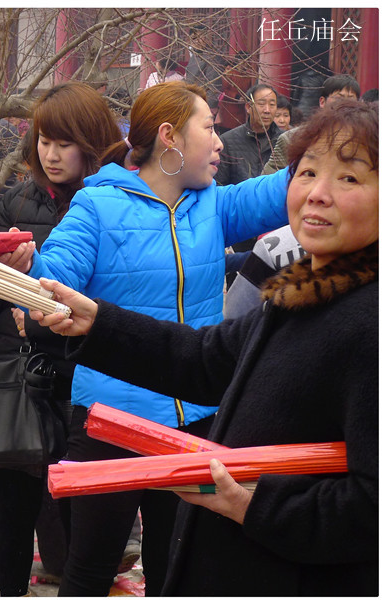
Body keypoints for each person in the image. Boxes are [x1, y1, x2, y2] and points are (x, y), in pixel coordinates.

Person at [30, 97, 377, 596]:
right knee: (92, 563)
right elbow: (204, 357)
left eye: (349, 178)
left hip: (280, 562)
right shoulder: (297, 301)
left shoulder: (368, 324)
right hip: (114, 417)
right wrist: (95, 322)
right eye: (306, 173)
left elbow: (371, 507)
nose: (317, 194)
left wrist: (252, 506)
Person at [0, 81, 289, 596]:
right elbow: (49, 285)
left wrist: (345, 146)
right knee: (89, 569)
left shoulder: (213, 206)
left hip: (195, 418)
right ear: (170, 136)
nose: (221, 141)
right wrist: (24, 268)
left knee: (176, 565)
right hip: (112, 424)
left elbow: (291, 187)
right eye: (209, 128)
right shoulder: (97, 207)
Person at [0, 81, 122, 597]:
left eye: (63, 142)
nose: (50, 154)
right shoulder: (17, 199)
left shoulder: (115, 205)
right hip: (21, 383)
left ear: (92, 142)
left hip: (87, 385)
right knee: (14, 512)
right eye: (44, 140)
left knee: (82, 520)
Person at [262, 74, 360, 176]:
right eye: (339, 99)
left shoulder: (366, 140)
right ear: (322, 102)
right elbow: (268, 182)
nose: (344, 104)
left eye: (350, 99)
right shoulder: (292, 139)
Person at [214, 82, 282, 186]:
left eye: (272, 105)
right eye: (261, 104)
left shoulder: (284, 140)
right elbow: (219, 185)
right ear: (248, 107)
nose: (267, 110)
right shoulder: (227, 141)